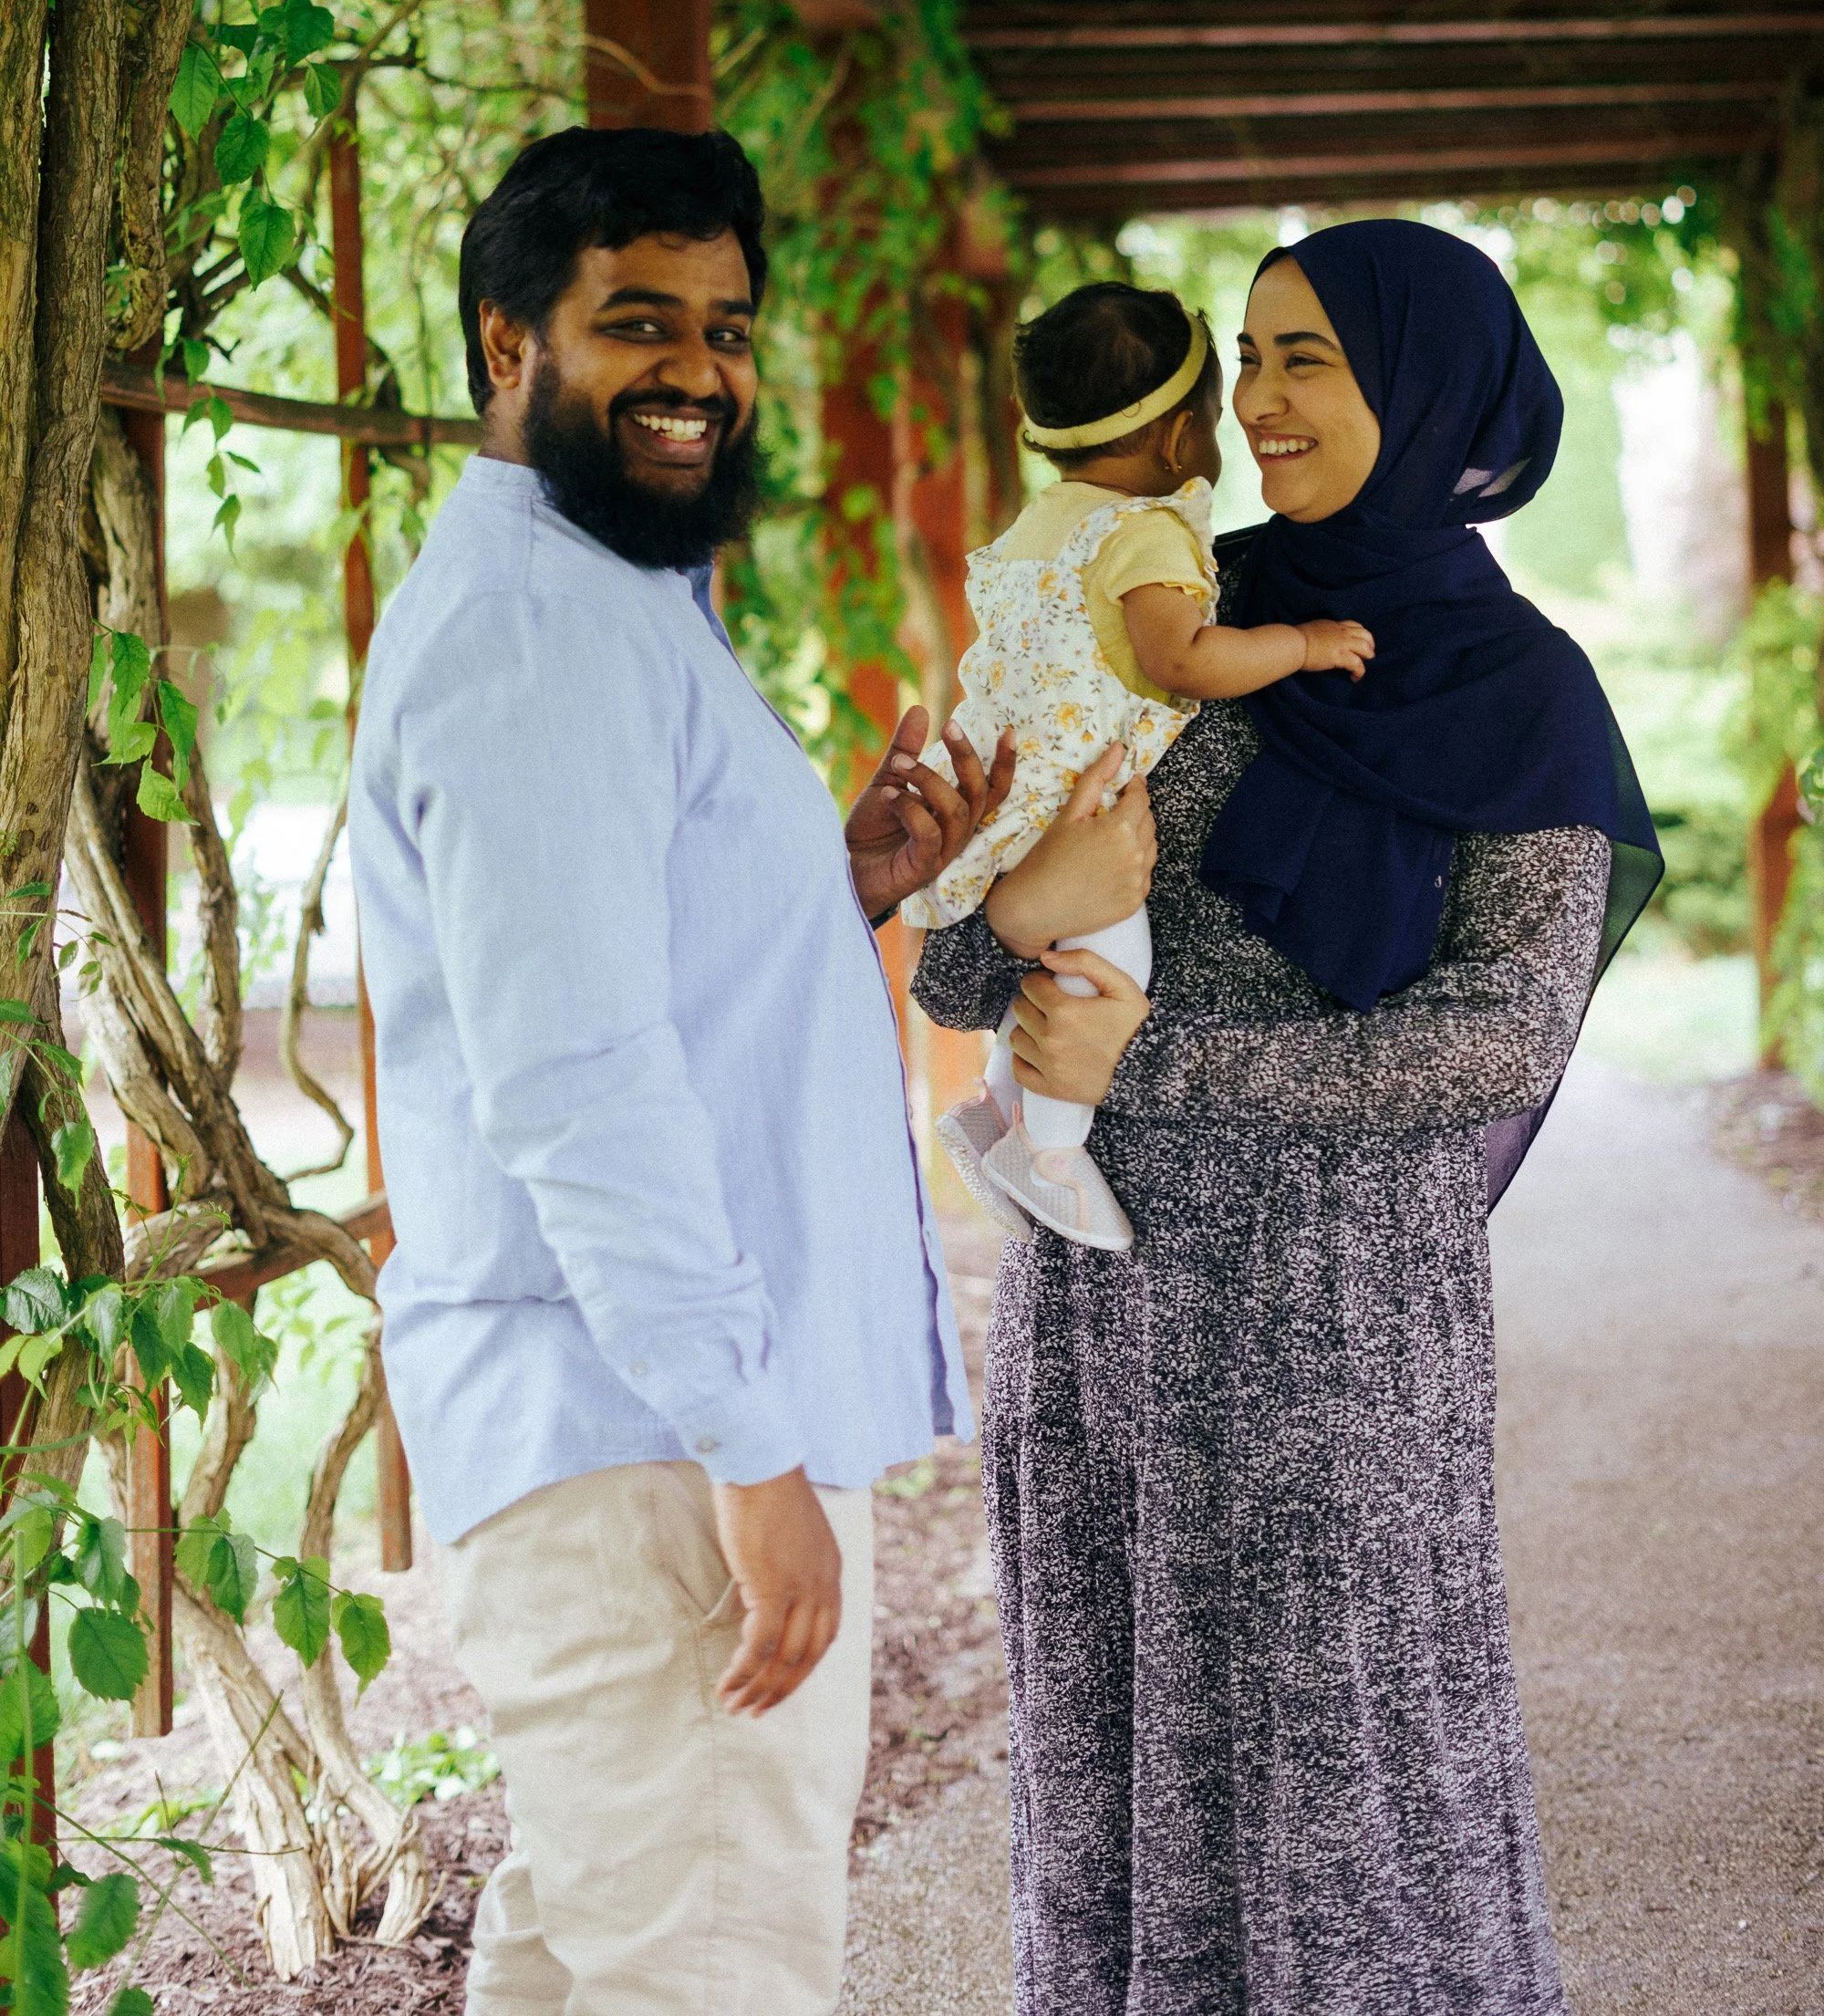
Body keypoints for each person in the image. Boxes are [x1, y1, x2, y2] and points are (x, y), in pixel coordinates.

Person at [913, 220, 1663, 2015]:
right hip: (1104, 1332)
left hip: (1344, 1351)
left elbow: (1497, 1034)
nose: (1252, 400)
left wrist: (1149, 1066)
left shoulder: (1524, 697)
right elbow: (955, 977)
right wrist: (981, 903)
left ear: (1425, 384)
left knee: (1350, 1825)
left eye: (1302, 357)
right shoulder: (1159, 613)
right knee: (1111, 1796)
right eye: (1241, 356)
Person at [347, 125, 1013, 2016]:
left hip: (631, 1427)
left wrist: (840, 884)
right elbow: (575, 1079)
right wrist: (747, 1442)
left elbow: (622, 958)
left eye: (726, 327)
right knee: (706, 1974)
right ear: (505, 343)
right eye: (637, 321)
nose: (698, 372)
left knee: (598, 1960)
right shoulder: (539, 632)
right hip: (642, 1438)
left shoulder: (608, 595)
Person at [903, 282, 1373, 1253]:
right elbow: (1181, 659)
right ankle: (1055, 1158)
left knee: (1045, 964)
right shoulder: (1145, 532)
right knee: (1107, 959)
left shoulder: (1042, 525)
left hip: (1007, 785)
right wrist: (1299, 644)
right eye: (1214, 408)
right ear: (1172, 443)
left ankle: (998, 1110)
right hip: (1081, 793)